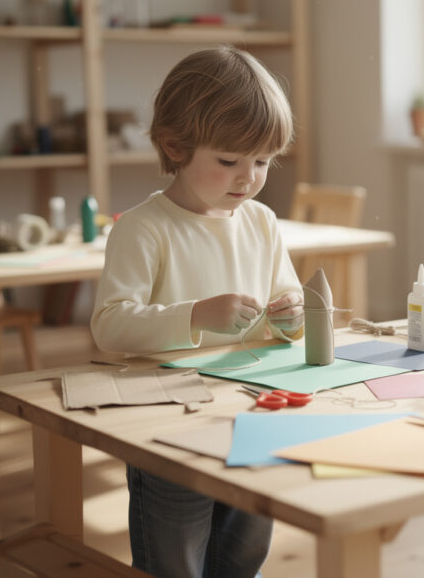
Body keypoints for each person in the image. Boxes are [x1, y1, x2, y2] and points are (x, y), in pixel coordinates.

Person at [90, 46, 304, 578]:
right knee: (175, 557)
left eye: (261, 161)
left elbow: (289, 307)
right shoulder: (143, 228)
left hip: (250, 414)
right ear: (175, 147)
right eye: (229, 161)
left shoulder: (261, 222)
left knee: (246, 548)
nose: (249, 177)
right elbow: (110, 325)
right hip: (169, 422)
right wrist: (195, 316)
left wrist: (293, 313)